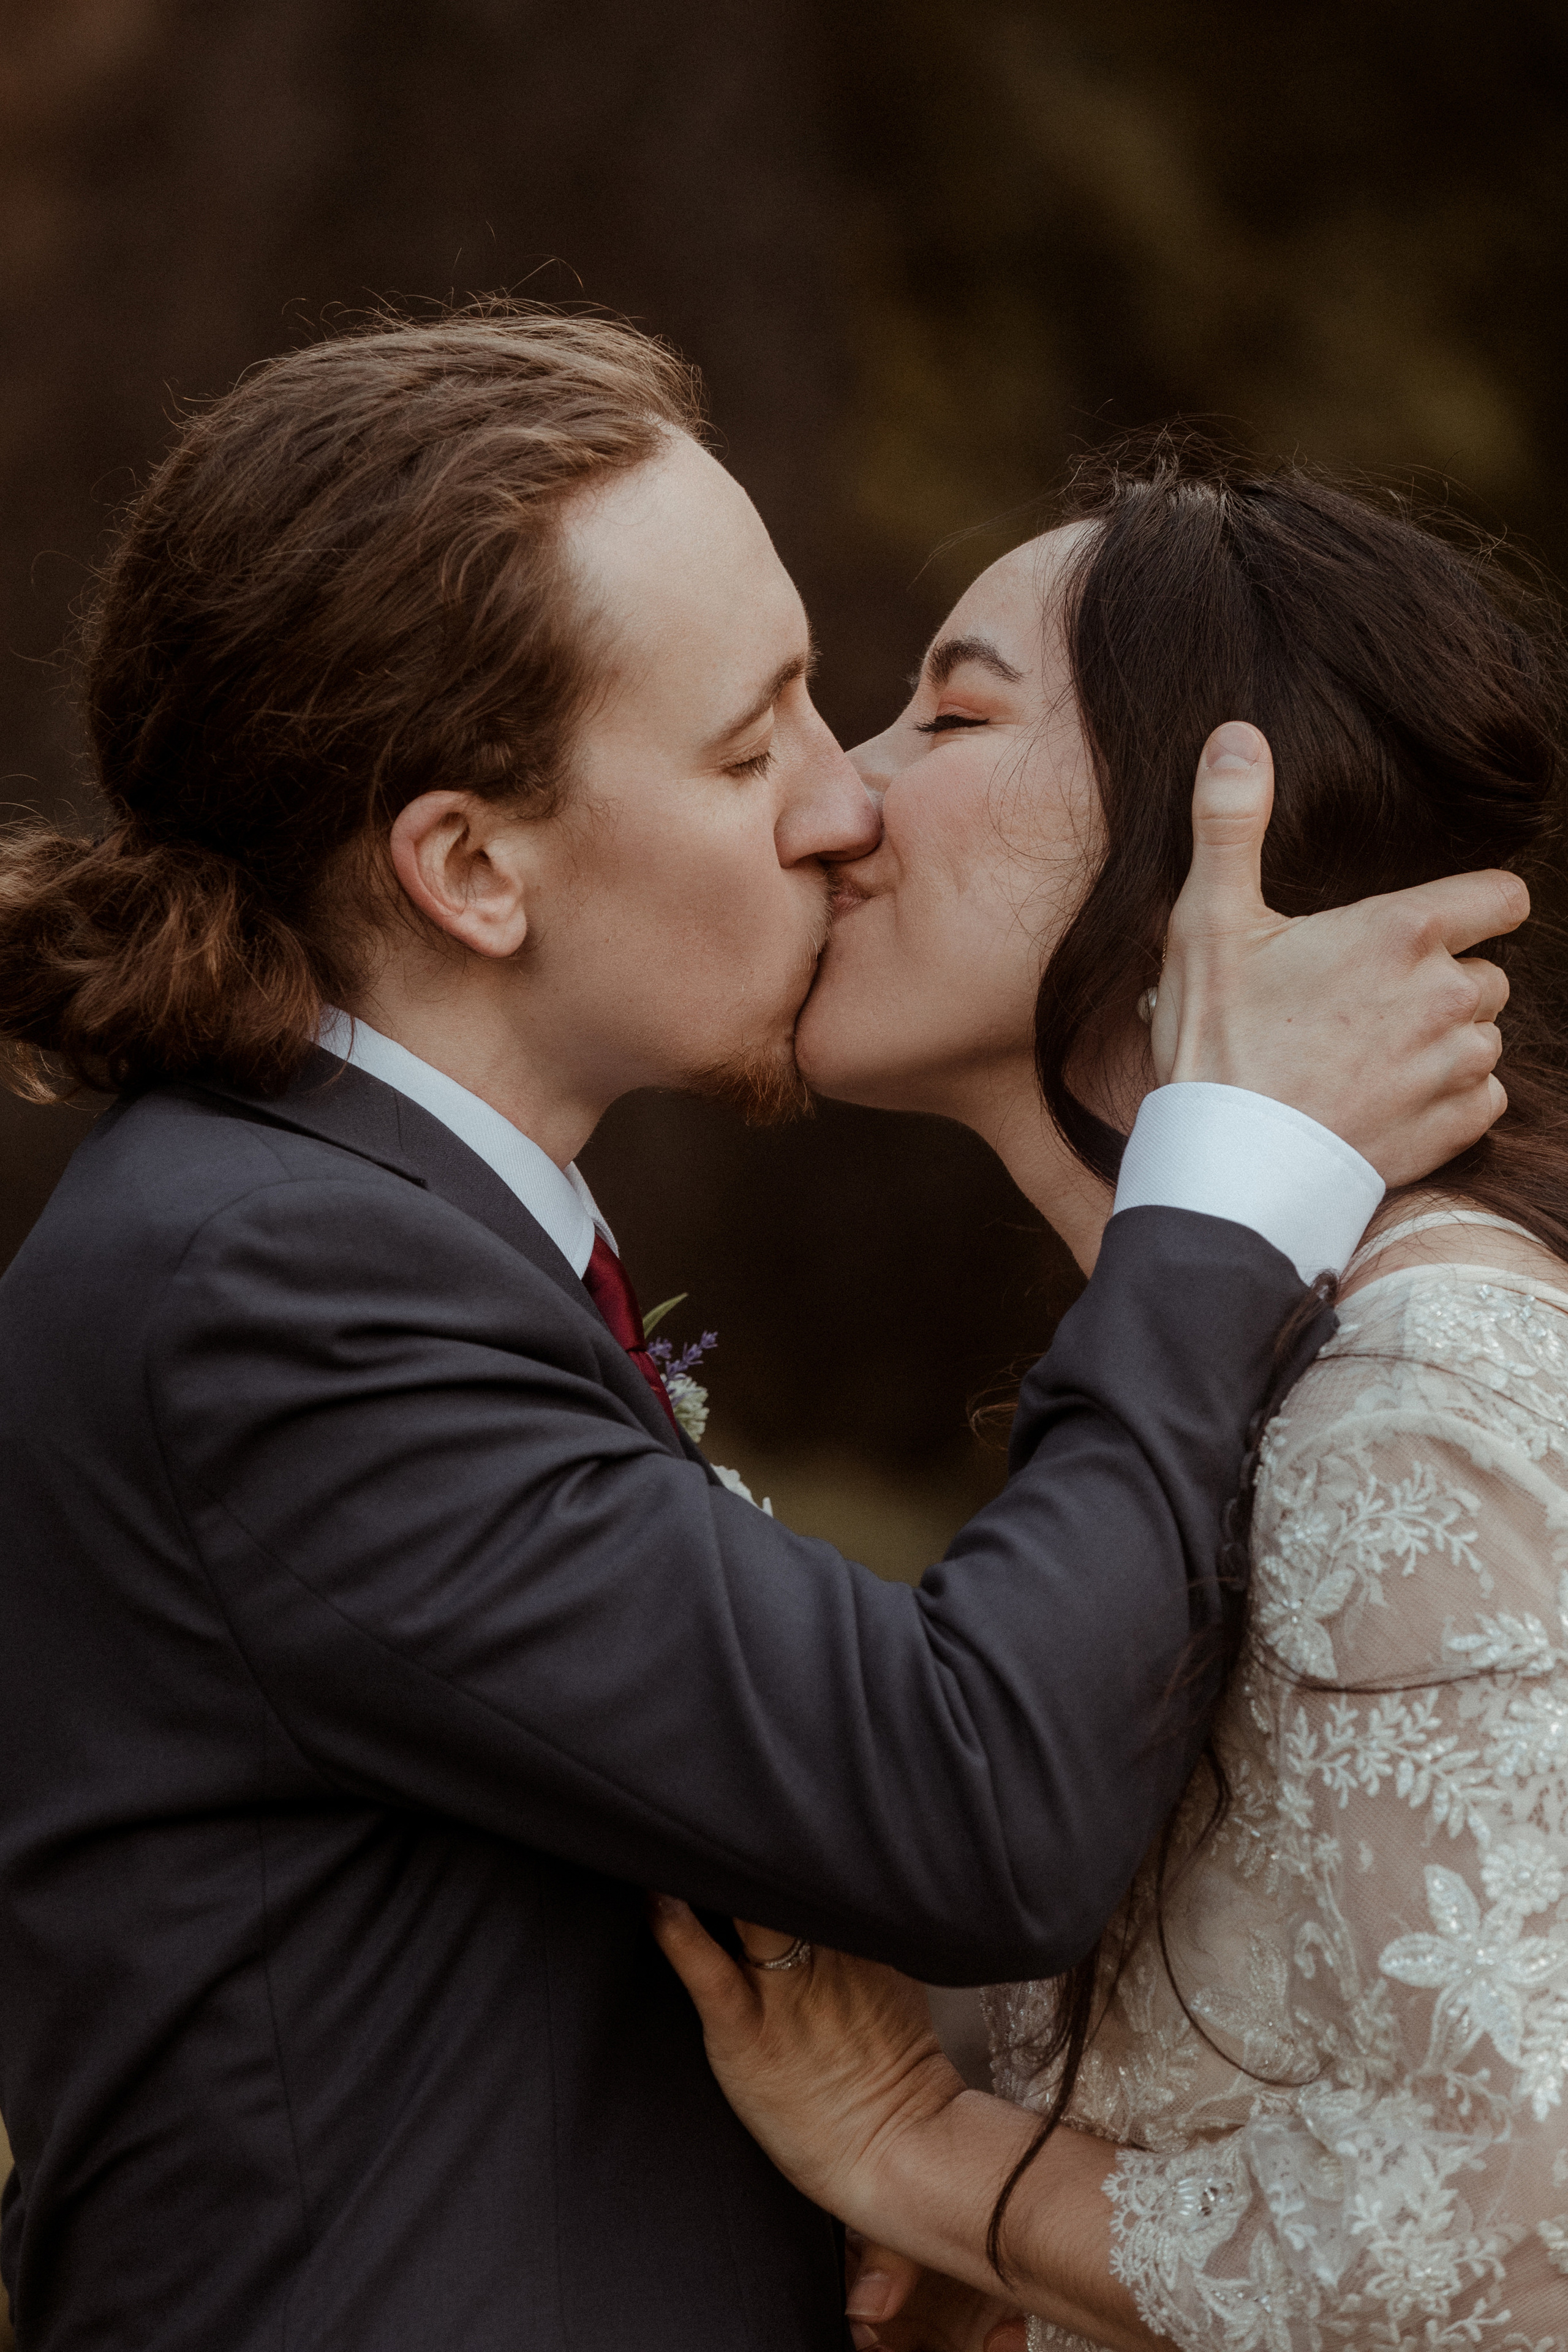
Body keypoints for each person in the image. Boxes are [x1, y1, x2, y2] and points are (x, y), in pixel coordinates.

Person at [0, 314, 1517, 2352]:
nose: (840, 808)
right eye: (753, 745)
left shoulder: (371, 1238)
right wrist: (1226, 1194)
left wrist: (936, 2182)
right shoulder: (275, 1287)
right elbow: (962, 1798)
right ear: (469, 867)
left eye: (864, 706)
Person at [651, 445, 1568, 2351]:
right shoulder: (1243, 1386)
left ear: (1216, 825)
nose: (836, 798)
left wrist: (927, 2158)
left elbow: (1512, 2244)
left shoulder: (1421, 1393)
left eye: (950, 712)